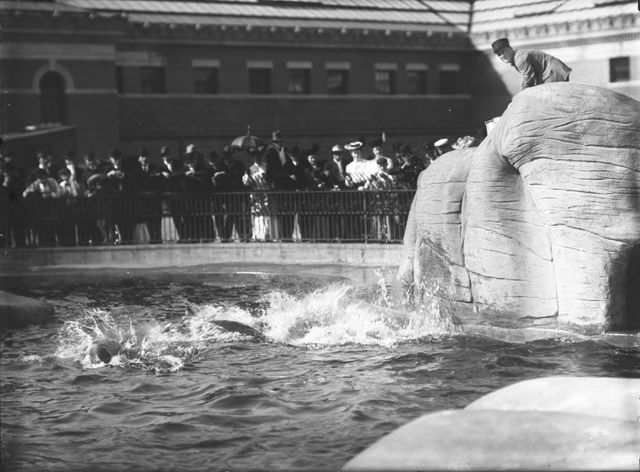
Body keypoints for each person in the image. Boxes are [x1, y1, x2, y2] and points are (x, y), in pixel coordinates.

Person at [491, 37, 571, 90]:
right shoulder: (516, 59)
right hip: (548, 74)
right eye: (499, 55)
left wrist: (522, 93)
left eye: (503, 52)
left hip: (553, 72)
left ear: (510, 48)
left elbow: (529, 79)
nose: (502, 56)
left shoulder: (519, 59)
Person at [265, 130, 296, 241]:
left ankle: (288, 235)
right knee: (280, 212)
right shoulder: (270, 153)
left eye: (280, 141)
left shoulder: (284, 152)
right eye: (277, 142)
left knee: (288, 212)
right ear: (273, 142)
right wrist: (287, 176)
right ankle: (282, 235)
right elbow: (272, 172)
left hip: (286, 187)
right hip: (277, 187)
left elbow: (290, 167)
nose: (279, 143)